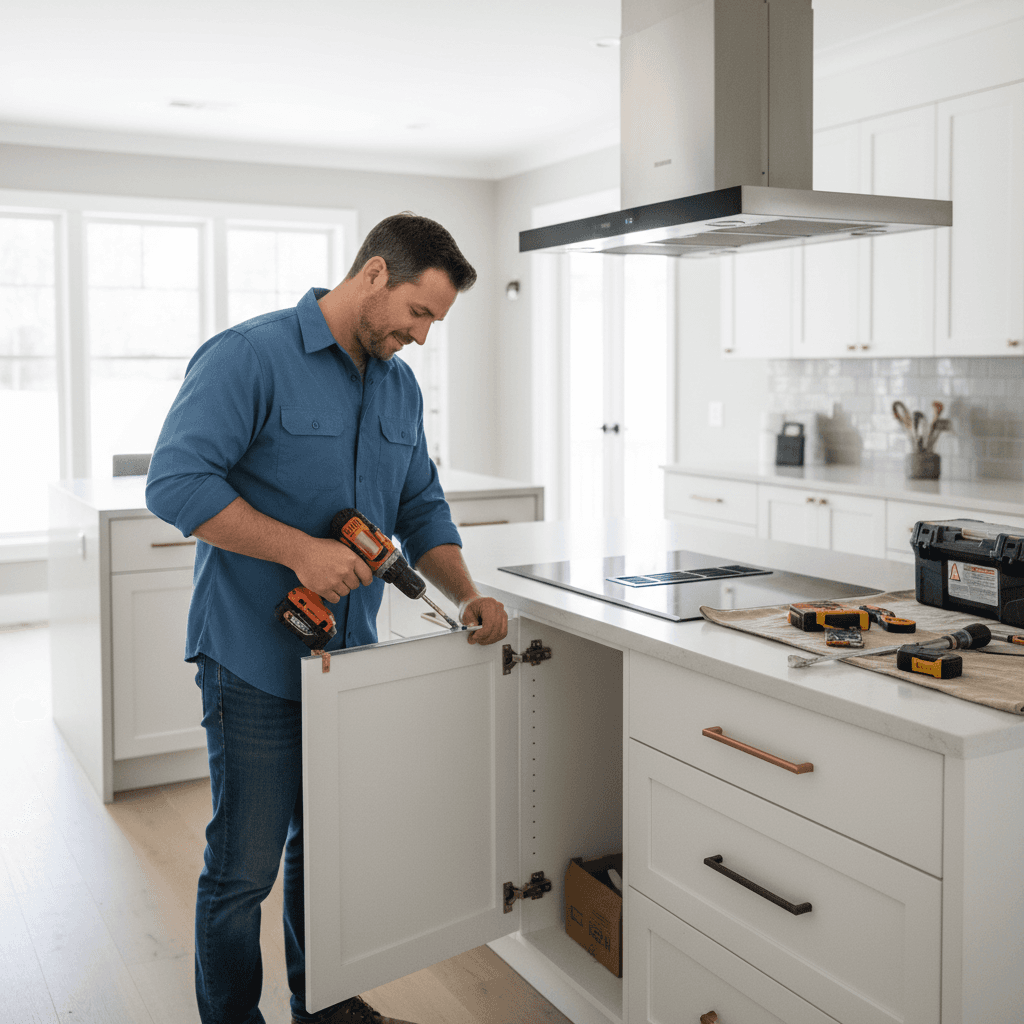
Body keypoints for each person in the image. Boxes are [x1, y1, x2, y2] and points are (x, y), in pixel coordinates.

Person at [146, 212, 508, 1024]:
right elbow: (174, 483)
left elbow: (421, 507)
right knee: (244, 871)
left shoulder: (399, 387)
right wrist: (300, 552)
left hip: (348, 667)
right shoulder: (250, 356)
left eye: (435, 322)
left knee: (330, 855)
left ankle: (326, 1009)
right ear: (375, 274)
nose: (421, 336)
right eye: (418, 312)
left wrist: (466, 594)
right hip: (251, 658)